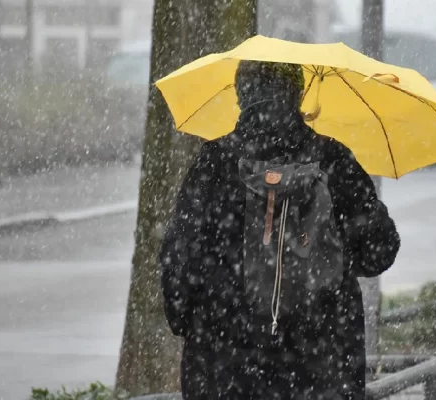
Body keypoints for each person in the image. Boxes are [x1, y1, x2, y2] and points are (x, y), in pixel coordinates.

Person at [160, 60, 400, 399]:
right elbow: (382, 248)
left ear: (241, 94)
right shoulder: (333, 158)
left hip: (224, 363)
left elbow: (179, 258)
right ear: (299, 93)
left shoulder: (215, 161)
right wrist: (328, 261)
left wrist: (192, 321)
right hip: (320, 362)